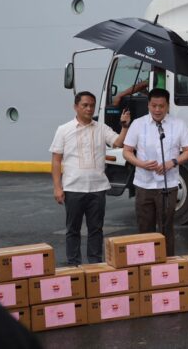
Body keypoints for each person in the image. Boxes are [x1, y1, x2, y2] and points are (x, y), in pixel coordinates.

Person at [50, 91, 131, 265]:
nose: (89, 108)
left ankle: (95, 265)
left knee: (96, 229)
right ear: (75, 107)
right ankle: (74, 265)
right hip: (73, 188)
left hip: (98, 188)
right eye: (85, 105)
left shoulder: (101, 128)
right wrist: (57, 187)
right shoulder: (64, 130)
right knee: (73, 230)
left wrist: (124, 126)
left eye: (92, 105)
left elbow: (118, 142)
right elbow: (56, 160)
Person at [122, 88, 188, 256]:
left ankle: (166, 267)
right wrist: (141, 164)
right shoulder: (138, 124)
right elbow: (127, 151)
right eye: (154, 105)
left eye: (161, 106)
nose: (157, 110)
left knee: (166, 227)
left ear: (168, 106)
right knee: (145, 228)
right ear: (148, 105)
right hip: (144, 185)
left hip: (168, 186)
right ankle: (146, 265)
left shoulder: (178, 124)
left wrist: (172, 162)